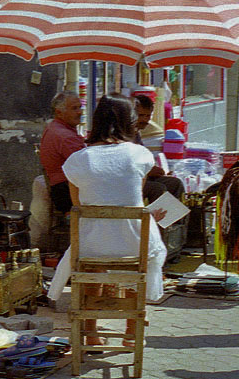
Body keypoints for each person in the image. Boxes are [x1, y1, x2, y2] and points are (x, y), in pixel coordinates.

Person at [47, 95, 167, 345]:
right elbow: (137, 199)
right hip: (133, 243)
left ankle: (90, 333)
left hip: (92, 244)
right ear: (128, 122)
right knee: (143, 254)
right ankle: (132, 332)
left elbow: (78, 205)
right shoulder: (140, 154)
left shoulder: (78, 160)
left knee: (93, 254)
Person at [132, 94, 184, 204]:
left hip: (144, 175)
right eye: (141, 115)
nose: (145, 120)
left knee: (175, 183)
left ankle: (176, 220)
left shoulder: (136, 133)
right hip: (131, 181)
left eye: (148, 116)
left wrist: (156, 171)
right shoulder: (124, 133)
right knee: (157, 188)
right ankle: (156, 220)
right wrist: (148, 171)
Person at [39, 91, 86, 213]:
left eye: (80, 107)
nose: (80, 112)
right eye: (74, 108)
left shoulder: (54, 127)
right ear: (59, 112)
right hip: (66, 192)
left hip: (61, 188)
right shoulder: (64, 136)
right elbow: (86, 166)